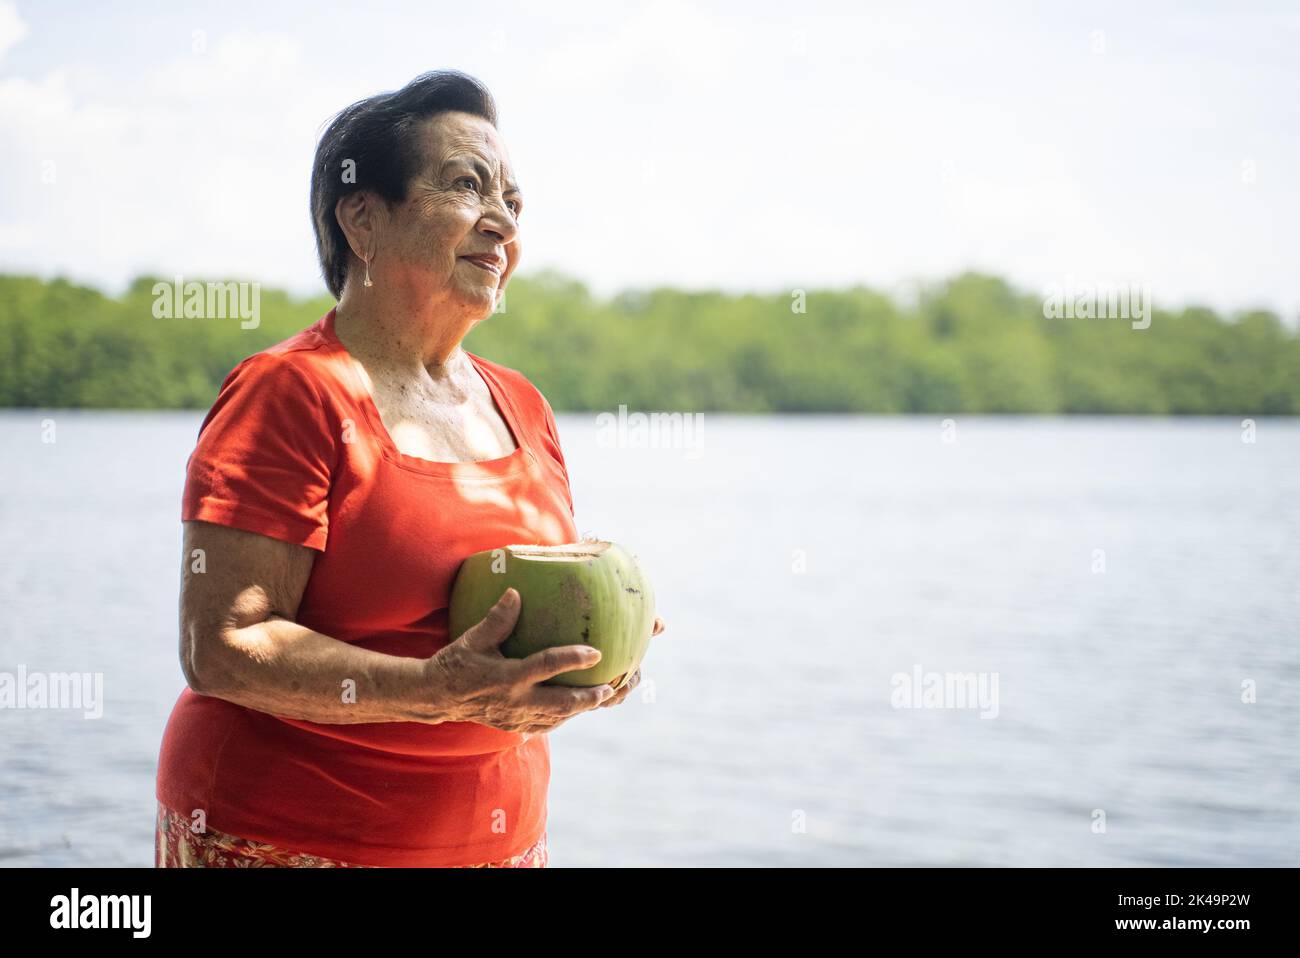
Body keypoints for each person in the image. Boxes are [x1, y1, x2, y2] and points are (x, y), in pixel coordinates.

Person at [154, 70, 664, 868]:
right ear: (362, 216)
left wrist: (599, 645)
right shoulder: (291, 392)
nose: (502, 224)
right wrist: (436, 691)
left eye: (514, 203)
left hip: (497, 840)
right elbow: (219, 645)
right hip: (286, 838)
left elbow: (517, 633)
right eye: (468, 186)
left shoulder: (522, 404)